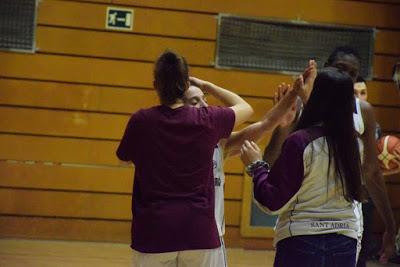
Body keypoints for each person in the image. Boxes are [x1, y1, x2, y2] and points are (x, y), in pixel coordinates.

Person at [116, 50, 253, 267]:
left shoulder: (141, 121)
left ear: (156, 85)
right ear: (186, 84)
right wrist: (208, 87)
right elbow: (246, 108)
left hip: (153, 232)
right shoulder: (208, 119)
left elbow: (124, 159)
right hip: (199, 230)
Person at [263, 47, 396, 265]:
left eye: (353, 74)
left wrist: (390, 226)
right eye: (341, 69)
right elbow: (271, 161)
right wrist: (280, 126)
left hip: (343, 224)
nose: (346, 77)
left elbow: (371, 172)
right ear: (326, 69)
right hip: (302, 221)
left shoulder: (363, 111)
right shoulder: (296, 103)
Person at [241, 67, 365, 267]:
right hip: (346, 241)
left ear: (317, 96)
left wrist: (256, 166)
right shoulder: (356, 143)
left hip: (301, 240)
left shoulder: (301, 142)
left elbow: (272, 202)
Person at [183, 77, 299, 266]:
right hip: (177, 235)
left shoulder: (219, 142)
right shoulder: (172, 141)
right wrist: (208, 86)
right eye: (195, 102)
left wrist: (293, 95)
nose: (204, 105)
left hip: (210, 238)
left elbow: (266, 124)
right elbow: (244, 108)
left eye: (205, 99)